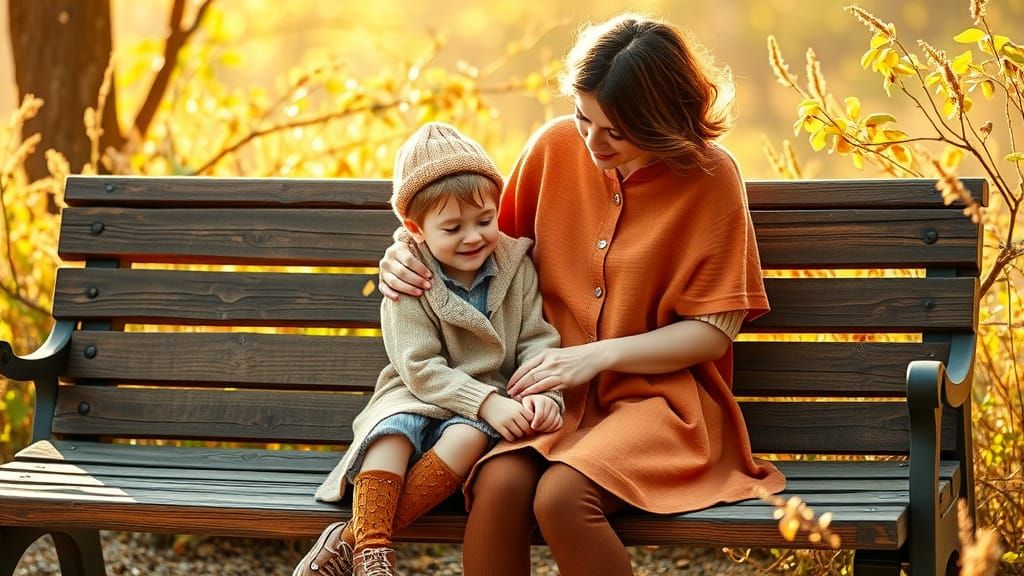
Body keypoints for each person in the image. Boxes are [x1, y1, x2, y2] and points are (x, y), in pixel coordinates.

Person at [377, 13, 787, 576]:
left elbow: (713, 332)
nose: (591, 142)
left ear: (662, 120)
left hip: (657, 404)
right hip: (544, 395)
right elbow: (484, 243)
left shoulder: (711, 177)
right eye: (582, 117)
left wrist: (595, 357)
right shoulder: (553, 147)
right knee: (498, 486)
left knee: (562, 497)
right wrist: (405, 249)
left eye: (614, 131)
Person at [293, 122, 563, 576]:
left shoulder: (517, 266)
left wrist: (544, 394)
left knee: (470, 434)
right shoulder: (411, 279)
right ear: (416, 230)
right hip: (417, 392)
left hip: (479, 405)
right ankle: (374, 552)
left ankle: (349, 539)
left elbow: (538, 339)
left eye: (485, 220)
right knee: (392, 431)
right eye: (452, 228)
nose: (473, 237)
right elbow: (417, 367)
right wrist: (486, 402)